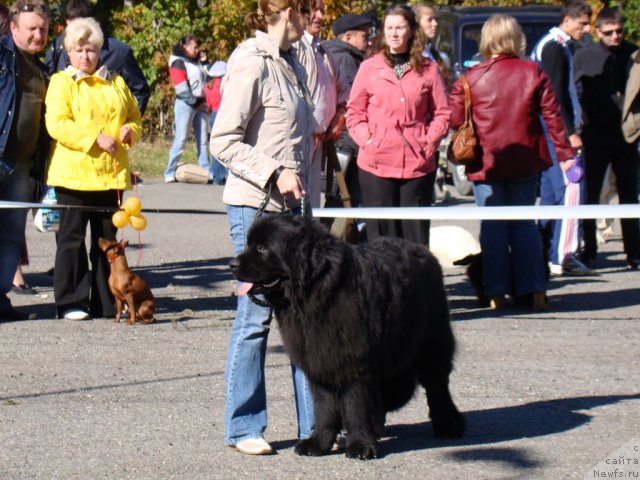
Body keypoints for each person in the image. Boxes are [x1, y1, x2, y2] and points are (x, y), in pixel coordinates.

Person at [209, 0, 314, 456]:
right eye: (309, 7)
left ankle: (317, 426)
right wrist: (274, 173)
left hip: (292, 214)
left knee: (305, 319)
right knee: (255, 319)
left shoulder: (293, 62)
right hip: (255, 210)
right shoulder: (251, 62)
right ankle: (243, 427)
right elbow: (222, 142)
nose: (315, 16)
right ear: (289, 10)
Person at [449, 14, 575, 311]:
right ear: (516, 37)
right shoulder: (534, 72)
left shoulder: (469, 79)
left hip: (486, 163)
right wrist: (565, 154)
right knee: (523, 226)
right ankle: (535, 291)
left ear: (486, 39)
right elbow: (554, 119)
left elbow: (455, 119)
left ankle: (496, 293)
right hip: (525, 160)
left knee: (493, 228)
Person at [45, 17, 142, 321]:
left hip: (110, 177)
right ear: (68, 52)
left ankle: (105, 298)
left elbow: (134, 117)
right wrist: (93, 139)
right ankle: (71, 300)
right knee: (71, 242)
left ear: (100, 51)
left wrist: (129, 131)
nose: (85, 56)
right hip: (73, 176)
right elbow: (56, 124)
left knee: (107, 243)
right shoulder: (61, 82)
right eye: (79, 50)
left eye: (91, 50)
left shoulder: (117, 81)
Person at [346, 4, 450, 246]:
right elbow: (354, 112)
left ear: (411, 31)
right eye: (389, 27)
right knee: (382, 239)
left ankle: (417, 284)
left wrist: (429, 142)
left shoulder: (429, 69)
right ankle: (383, 284)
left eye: (400, 28)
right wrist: (368, 140)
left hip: (417, 163)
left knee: (415, 239)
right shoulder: (369, 67)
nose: (394, 33)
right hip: (376, 164)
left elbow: (442, 113)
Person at [574, 7, 640, 270]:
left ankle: (633, 251)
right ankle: (589, 249)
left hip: (626, 134)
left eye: (619, 31)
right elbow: (572, 91)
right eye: (609, 32)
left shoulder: (632, 54)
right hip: (595, 135)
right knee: (591, 194)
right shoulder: (585, 56)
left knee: (629, 193)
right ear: (598, 31)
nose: (616, 36)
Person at [531, 0, 593, 276]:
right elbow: (554, 96)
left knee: (551, 193)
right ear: (568, 20)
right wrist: (570, 132)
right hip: (556, 132)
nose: (587, 29)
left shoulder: (559, 44)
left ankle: (545, 251)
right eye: (583, 23)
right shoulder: (554, 46)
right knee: (571, 188)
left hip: (549, 131)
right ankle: (562, 255)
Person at [0, 0, 49, 322]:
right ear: (14, 28)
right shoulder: (2, 59)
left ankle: (1, 297)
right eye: (31, 28)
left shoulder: (42, 67)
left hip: (22, 166)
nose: (38, 34)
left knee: (11, 237)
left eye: (43, 29)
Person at [44, 0, 150, 116]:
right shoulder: (59, 46)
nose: (77, 33)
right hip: (69, 128)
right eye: (72, 27)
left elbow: (140, 91)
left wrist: (127, 123)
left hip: (108, 129)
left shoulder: (119, 52)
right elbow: (46, 85)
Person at [295, 0, 350, 208]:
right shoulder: (293, 49)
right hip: (296, 143)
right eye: (313, 11)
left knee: (312, 208)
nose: (319, 16)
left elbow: (344, 89)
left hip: (319, 144)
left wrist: (340, 114)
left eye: (321, 11)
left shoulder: (324, 53)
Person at [322, 13, 374, 207]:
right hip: (347, 142)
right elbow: (356, 100)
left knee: (343, 198)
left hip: (344, 141)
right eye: (364, 36)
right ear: (348, 37)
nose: (368, 42)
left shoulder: (340, 55)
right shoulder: (345, 59)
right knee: (345, 200)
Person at [164, 34, 212, 183]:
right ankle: (169, 171)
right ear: (184, 46)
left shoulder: (196, 61)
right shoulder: (178, 62)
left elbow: (209, 78)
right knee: (181, 138)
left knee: (203, 139)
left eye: (198, 47)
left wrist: (205, 63)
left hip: (200, 104)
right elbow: (181, 89)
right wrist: (195, 103)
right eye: (194, 47)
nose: (197, 50)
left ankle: (206, 170)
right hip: (186, 104)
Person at [204, 60, 227, 185]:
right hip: (224, 114)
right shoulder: (226, 85)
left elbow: (208, 104)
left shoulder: (208, 86)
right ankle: (224, 175)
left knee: (216, 145)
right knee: (227, 144)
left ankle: (216, 174)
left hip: (213, 115)